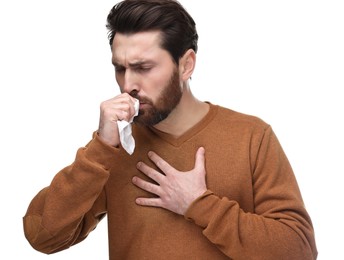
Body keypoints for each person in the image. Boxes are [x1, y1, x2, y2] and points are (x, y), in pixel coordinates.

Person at [23, 0, 318, 259]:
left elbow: (299, 251)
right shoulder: (113, 149)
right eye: (120, 68)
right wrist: (101, 148)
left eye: (144, 67)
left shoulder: (251, 136)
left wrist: (199, 205)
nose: (127, 86)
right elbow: (42, 237)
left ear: (186, 65)